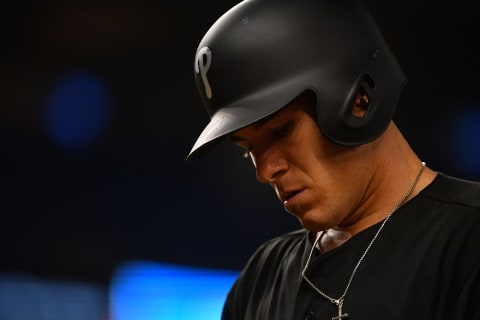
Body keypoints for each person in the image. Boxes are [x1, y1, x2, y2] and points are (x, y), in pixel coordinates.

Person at [187, 0, 480, 319]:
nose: (264, 171)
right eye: (248, 147)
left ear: (360, 100)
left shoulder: (467, 244)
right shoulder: (261, 278)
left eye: (281, 130)